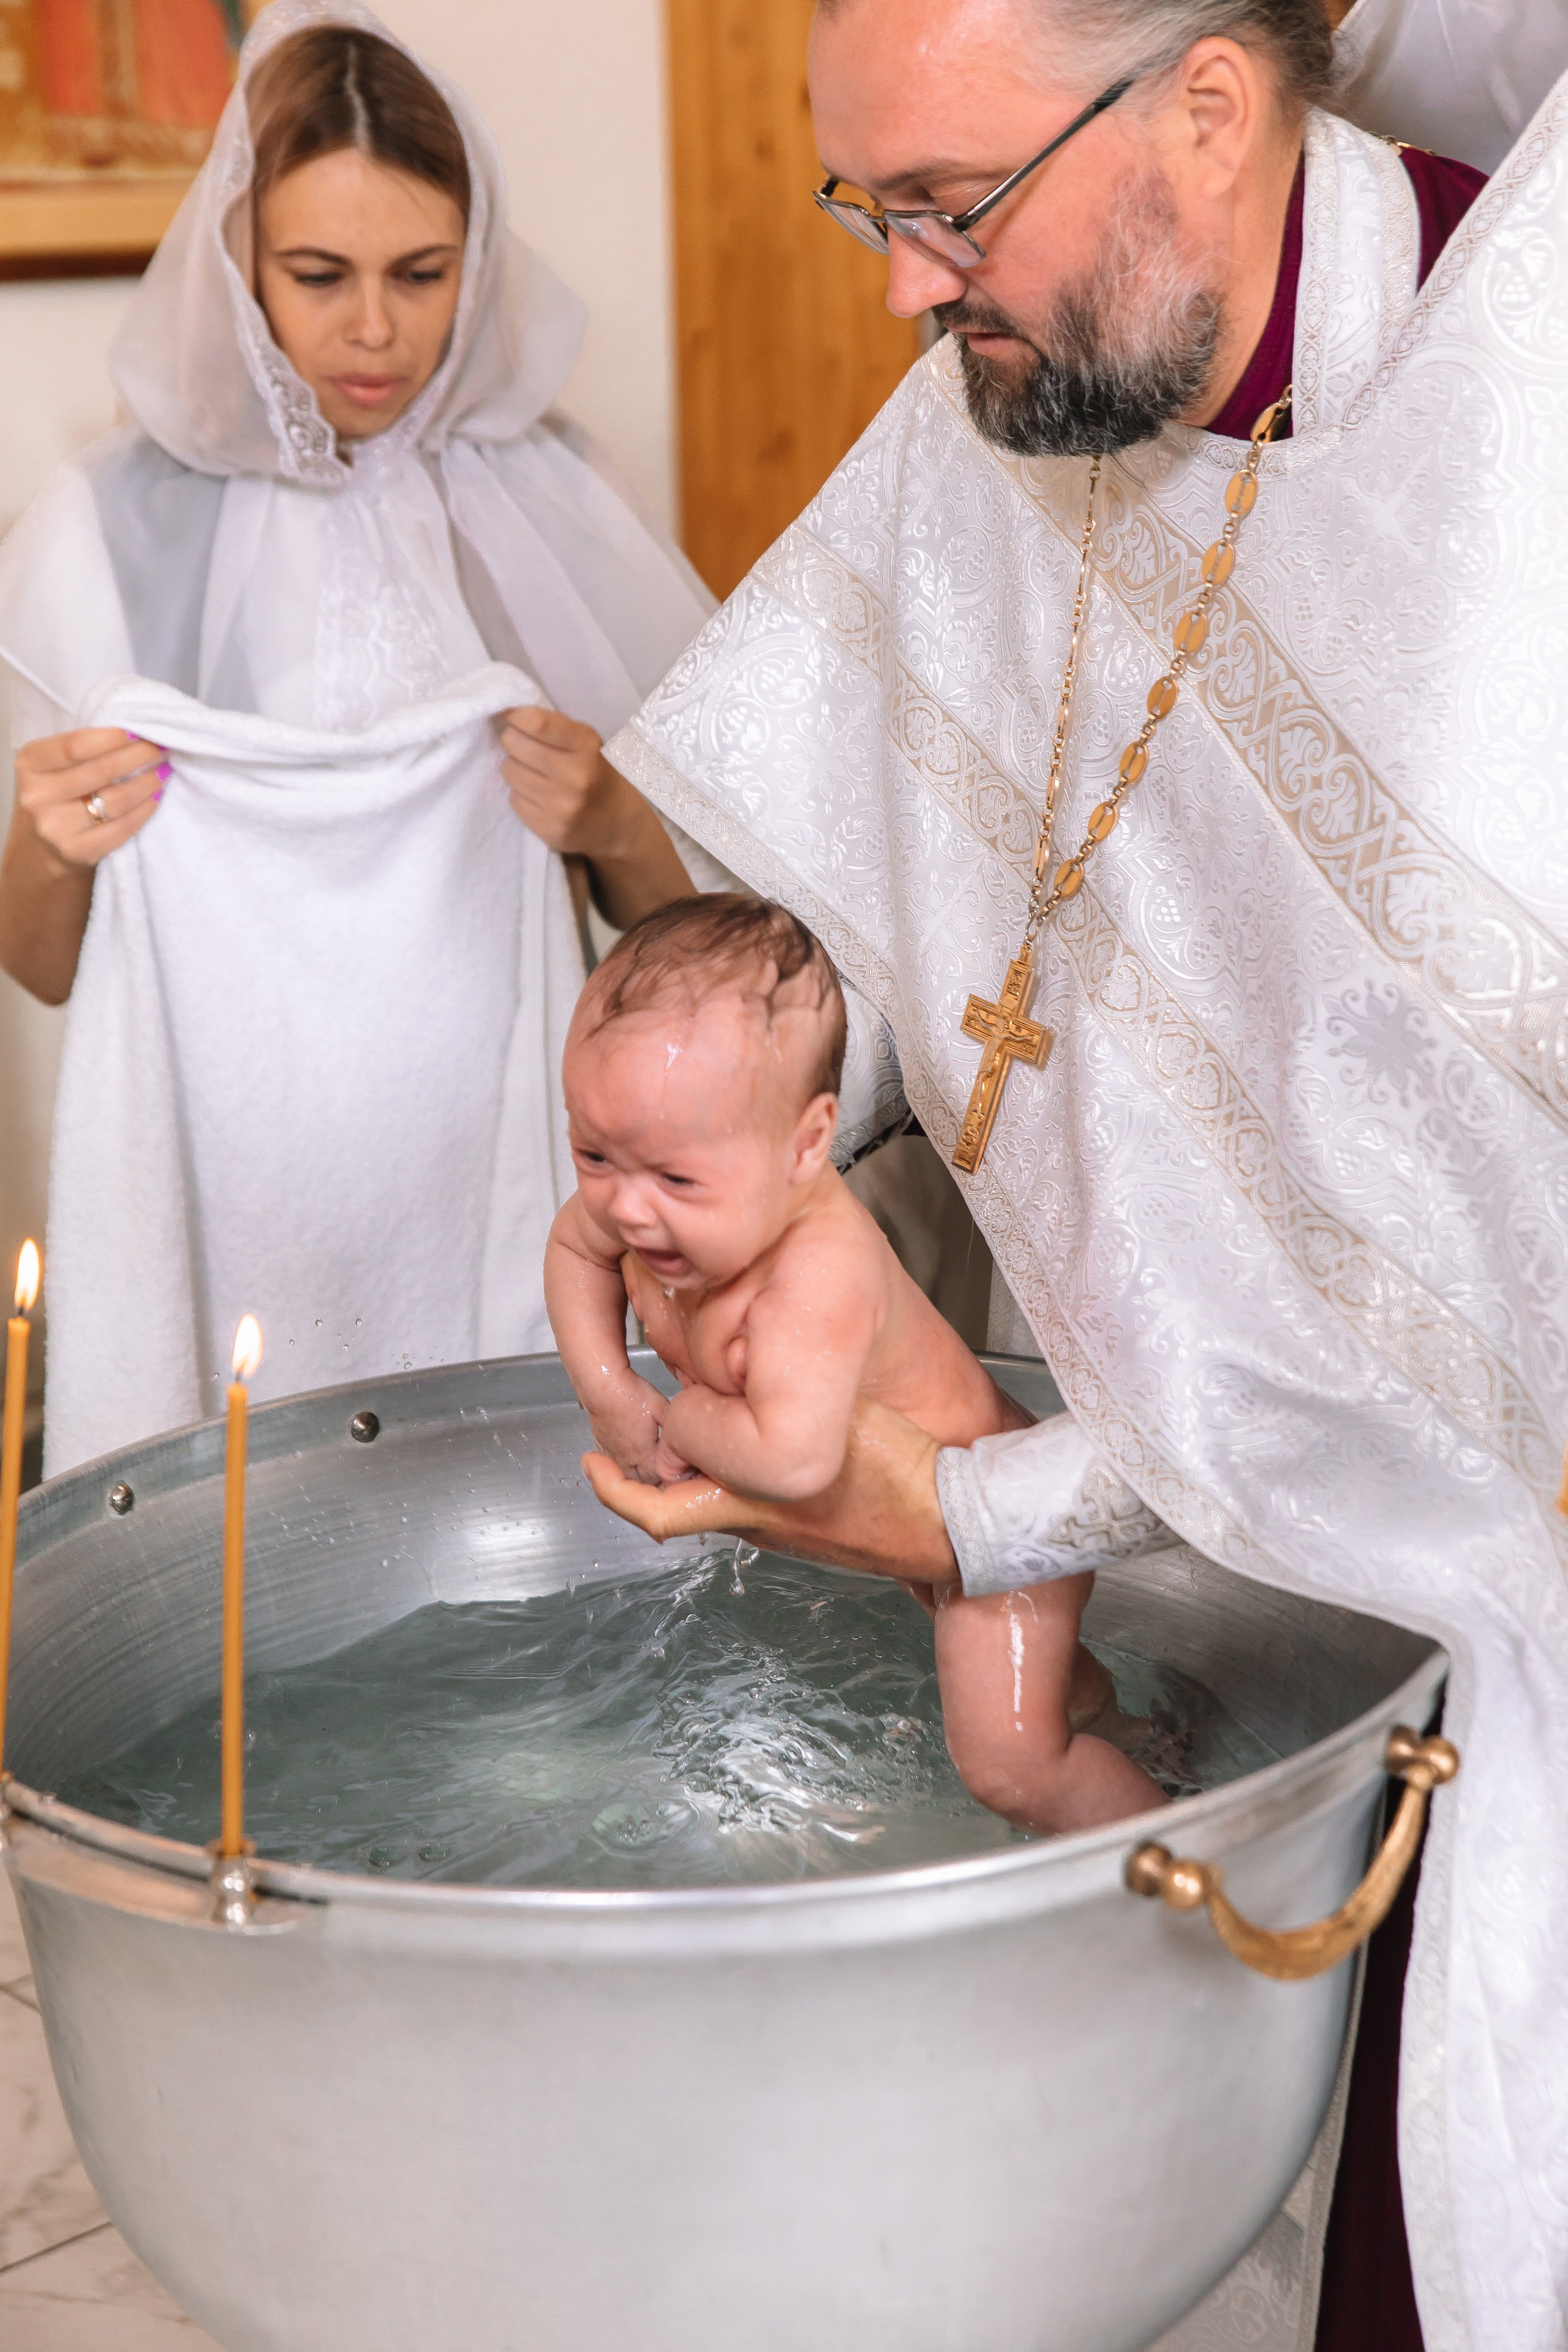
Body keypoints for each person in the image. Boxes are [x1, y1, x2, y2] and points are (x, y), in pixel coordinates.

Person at [586, 4, 1568, 2350]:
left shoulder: (1510, 443)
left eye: (946, 207)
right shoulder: (1021, 395)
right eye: (870, 210)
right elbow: (893, 929)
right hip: (1285, 1567)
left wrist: (980, 1514)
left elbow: (1467, 1294)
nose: (905, 291)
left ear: (1211, 112)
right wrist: (731, 1138)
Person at [0, 0, 709, 1471]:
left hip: (488, 1172)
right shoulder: (103, 528)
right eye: (317, 275)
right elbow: (44, 960)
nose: (374, 329)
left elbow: (693, 952)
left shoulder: (553, 506)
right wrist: (50, 847)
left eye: (422, 273)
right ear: (235, 262)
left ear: (480, 263)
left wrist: (615, 824)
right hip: (229, 1182)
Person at [545, 894, 1163, 1833]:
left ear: (805, 1145)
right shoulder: (650, 1187)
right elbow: (573, 1248)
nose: (627, 1209)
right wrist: (608, 1392)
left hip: (1006, 1533)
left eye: (675, 1178)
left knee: (1011, 1765)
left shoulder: (815, 1273)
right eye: (593, 1154)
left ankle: (1185, 1863)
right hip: (919, 1519)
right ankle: (1137, 1732)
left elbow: (796, 1461)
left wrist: (677, 1420)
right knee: (1060, 1694)